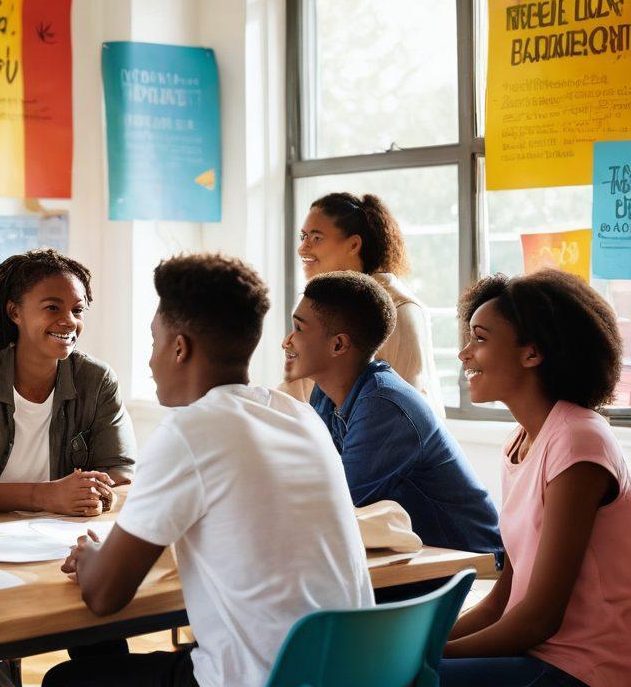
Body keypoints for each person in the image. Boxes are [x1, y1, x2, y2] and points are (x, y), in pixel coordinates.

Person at [43, 254, 373, 687]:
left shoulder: (190, 430)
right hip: (352, 673)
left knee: (67, 680)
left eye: (154, 341)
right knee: (104, 661)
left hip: (263, 680)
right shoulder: (298, 414)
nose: (149, 361)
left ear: (179, 348)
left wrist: (91, 560)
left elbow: (105, 596)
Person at [440, 270, 631, 687]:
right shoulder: (522, 441)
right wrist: (428, 644)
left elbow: (540, 618)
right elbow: (504, 599)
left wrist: (430, 657)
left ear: (532, 353)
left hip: (585, 669)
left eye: (481, 338)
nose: (464, 353)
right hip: (538, 655)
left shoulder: (579, 440)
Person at [282, 271, 501, 566]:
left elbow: (333, 508)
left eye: (298, 328)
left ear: (338, 345)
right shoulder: (324, 394)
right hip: (417, 560)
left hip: (471, 567)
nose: (287, 341)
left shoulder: (384, 406)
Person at [0, 249, 136, 516]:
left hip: (62, 530)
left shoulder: (97, 380)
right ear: (14, 312)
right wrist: (47, 495)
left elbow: (120, 473)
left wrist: (99, 495)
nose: (69, 321)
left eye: (77, 310)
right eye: (52, 307)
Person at [284, 192, 443, 416]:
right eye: (303, 237)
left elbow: (404, 409)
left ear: (354, 244)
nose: (303, 248)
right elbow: (298, 391)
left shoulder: (397, 309)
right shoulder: (326, 303)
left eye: (316, 238)